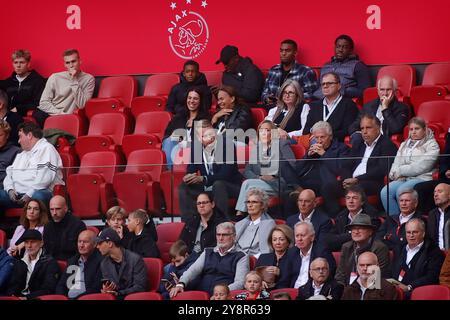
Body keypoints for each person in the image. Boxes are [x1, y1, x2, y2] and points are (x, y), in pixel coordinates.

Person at [178, 119, 242, 220]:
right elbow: (191, 168)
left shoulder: (227, 145)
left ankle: (221, 220)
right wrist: (189, 176)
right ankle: (189, 222)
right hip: (207, 186)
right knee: (184, 186)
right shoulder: (196, 147)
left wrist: (203, 179)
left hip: (230, 186)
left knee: (218, 184)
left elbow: (226, 174)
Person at [169, 222, 249, 297]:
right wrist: (181, 284)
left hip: (222, 297)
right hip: (201, 293)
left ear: (234, 237)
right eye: (218, 235)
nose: (220, 238)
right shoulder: (208, 251)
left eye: (225, 235)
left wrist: (220, 293)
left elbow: (240, 283)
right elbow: (193, 270)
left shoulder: (241, 256)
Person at [380, 117, 440, 216]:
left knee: (401, 191)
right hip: (403, 178)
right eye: (411, 129)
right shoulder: (404, 144)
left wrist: (401, 171)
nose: (413, 132)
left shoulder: (432, 145)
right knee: (385, 192)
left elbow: (422, 166)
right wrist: (394, 174)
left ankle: (407, 220)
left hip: (422, 177)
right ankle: (395, 222)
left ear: (424, 130)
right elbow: (396, 162)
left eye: (417, 129)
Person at [288, 121, 350, 215]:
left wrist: (324, 154)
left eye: (322, 137)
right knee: (286, 187)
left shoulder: (342, 148)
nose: (319, 141)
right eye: (316, 138)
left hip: (331, 184)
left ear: (330, 137)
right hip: (311, 182)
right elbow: (298, 170)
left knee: (326, 183)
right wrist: (308, 156)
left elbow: (341, 169)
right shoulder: (313, 149)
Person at [235, 120, 296, 215]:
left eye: (267, 130)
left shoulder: (281, 144)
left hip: (278, 183)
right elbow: (247, 170)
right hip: (259, 183)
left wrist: (273, 174)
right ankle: (250, 218)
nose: (263, 133)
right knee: (251, 189)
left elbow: (292, 165)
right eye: (261, 130)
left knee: (248, 185)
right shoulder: (257, 148)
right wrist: (259, 177)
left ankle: (240, 214)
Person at [0, 122, 63, 211]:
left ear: (29, 135)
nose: (18, 141)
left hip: (38, 194)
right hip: (17, 196)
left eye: (20, 136)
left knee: (38, 196)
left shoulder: (47, 148)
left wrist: (28, 195)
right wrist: (10, 189)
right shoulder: (22, 153)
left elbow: (45, 178)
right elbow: (9, 174)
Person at [33, 49, 95, 127]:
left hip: (71, 117)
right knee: (38, 114)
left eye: (73, 61)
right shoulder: (55, 77)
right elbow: (43, 103)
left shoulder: (89, 79)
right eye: (67, 63)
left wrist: (74, 80)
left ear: (80, 61)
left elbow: (82, 105)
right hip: (53, 113)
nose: (71, 65)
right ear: (64, 64)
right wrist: (60, 114)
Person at [341, 113, 398, 196]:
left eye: (368, 128)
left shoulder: (387, 144)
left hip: (372, 182)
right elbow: (347, 164)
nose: (364, 131)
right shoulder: (358, 143)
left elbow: (381, 170)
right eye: (362, 128)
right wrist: (346, 179)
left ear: (378, 128)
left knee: (358, 188)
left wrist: (357, 179)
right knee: (329, 186)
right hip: (352, 181)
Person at [391, 218, 444, 299]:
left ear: (423, 233)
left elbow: (432, 276)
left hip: (419, 292)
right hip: (396, 291)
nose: (411, 235)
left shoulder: (433, 251)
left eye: (415, 232)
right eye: (408, 232)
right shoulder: (399, 249)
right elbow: (392, 271)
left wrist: (409, 287)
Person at [335, 214, 390, 286]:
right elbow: (340, 275)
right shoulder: (346, 247)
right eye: (353, 229)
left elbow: (378, 276)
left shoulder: (379, 248)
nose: (356, 231)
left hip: (370, 288)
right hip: (347, 290)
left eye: (360, 228)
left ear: (370, 231)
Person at [261, 39, 318, 106]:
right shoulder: (273, 70)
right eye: (281, 50)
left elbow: (312, 95)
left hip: (294, 108)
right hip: (272, 108)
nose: (283, 53)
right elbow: (264, 92)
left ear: (295, 53)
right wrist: (267, 98)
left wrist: (290, 99)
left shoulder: (305, 71)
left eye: (287, 51)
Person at [303, 72, 359, 141]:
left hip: (336, 145)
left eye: (329, 83)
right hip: (315, 144)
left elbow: (347, 130)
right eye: (323, 84)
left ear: (339, 86)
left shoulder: (349, 105)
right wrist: (314, 131)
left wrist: (327, 136)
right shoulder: (315, 106)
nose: (325, 86)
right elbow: (305, 130)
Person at [163, 87, 210, 167]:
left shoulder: (206, 118)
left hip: (195, 151)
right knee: (168, 141)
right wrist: (173, 136)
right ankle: (170, 172)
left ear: (200, 101)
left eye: (195, 98)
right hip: (177, 150)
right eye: (189, 98)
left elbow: (206, 141)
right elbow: (166, 136)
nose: (191, 101)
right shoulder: (178, 117)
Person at [279, 221, 336, 289]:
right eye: (297, 236)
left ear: (312, 237)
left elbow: (328, 276)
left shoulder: (322, 252)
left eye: (302, 235)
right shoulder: (291, 252)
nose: (299, 239)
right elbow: (284, 279)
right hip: (292, 291)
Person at [6, 229, 60, 299]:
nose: (29, 246)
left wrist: (27, 298)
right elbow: (13, 285)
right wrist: (12, 295)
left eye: (33, 242)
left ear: (41, 243)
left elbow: (48, 289)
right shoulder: (20, 262)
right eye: (26, 242)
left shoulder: (50, 263)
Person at [325, 186, 382, 252]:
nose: (351, 201)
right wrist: (352, 235)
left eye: (355, 198)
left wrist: (341, 238)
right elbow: (329, 239)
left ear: (362, 202)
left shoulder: (371, 216)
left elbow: (369, 239)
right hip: (345, 253)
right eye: (348, 198)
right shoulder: (341, 216)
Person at [314, 34, 370, 100]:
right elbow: (317, 88)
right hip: (320, 100)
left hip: (342, 100)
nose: (340, 50)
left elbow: (365, 91)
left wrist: (345, 91)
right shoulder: (326, 66)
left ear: (351, 50)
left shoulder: (358, 65)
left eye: (345, 47)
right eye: (338, 47)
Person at [96, 227, 148, 298]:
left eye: (100, 243)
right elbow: (110, 286)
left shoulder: (135, 260)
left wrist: (119, 293)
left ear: (110, 244)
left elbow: (140, 287)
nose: (97, 246)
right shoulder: (104, 263)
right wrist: (107, 290)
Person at [56, 230, 103, 299]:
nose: (81, 245)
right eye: (79, 241)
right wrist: (63, 298)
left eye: (85, 242)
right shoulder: (73, 261)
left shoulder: (100, 261)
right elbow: (62, 285)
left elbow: (96, 288)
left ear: (94, 244)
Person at [0, 49, 45, 117]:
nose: (18, 66)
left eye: (22, 62)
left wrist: (19, 108)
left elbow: (38, 102)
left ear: (28, 64)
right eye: (16, 62)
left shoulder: (38, 81)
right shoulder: (8, 82)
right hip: (8, 116)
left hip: (25, 116)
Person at [414, 129, 450, 212]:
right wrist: (445, 171)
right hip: (447, 178)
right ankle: (428, 219)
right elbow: (445, 158)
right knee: (420, 188)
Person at [235, 188, 276, 257]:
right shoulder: (239, 224)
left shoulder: (269, 224)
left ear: (262, 205)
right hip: (236, 258)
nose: (250, 205)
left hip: (255, 260)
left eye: (254, 202)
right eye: (248, 202)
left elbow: (266, 250)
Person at [43, 195, 86, 260]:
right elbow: (47, 251)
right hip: (52, 264)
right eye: (51, 209)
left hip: (73, 264)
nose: (54, 213)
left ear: (66, 208)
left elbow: (81, 252)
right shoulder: (48, 226)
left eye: (58, 209)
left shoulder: (78, 225)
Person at [255, 224, 294, 289]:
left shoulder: (293, 258)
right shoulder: (263, 258)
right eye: (274, 240)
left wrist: (280, 273)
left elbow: (292, 281)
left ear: (288, 241)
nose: (277, 243)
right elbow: (253, 276)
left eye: (281, 239)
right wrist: (259, 282)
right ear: (271, 241)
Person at [427, 183, 450, 250]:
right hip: (436, 255)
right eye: (434, 193)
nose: (436, 195)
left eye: (440, 191)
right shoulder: (432, 214)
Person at [0, 120, 20, 189]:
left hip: (5, 187)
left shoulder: (16, 151)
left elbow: (15, 177)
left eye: (0, 135)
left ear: (7, 135)